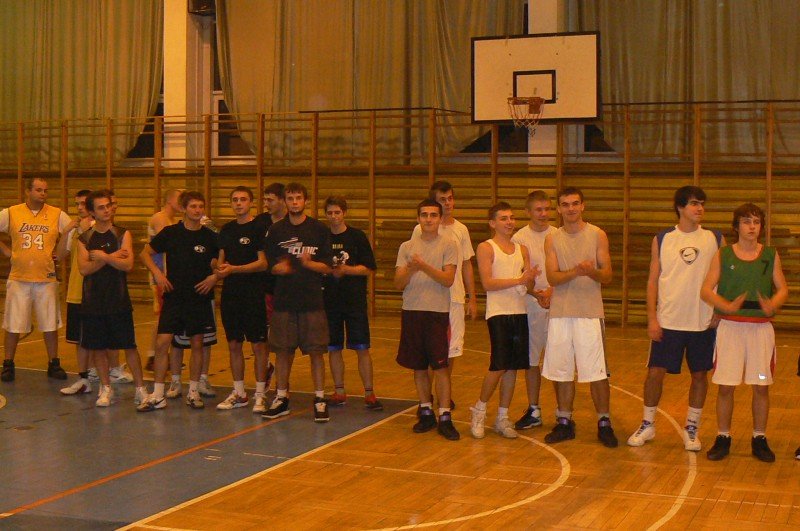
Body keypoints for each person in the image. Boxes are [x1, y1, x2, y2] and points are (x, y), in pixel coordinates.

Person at [627, 186, 723, 451]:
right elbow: (652, 280)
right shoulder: (663, 238)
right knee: (655, 374)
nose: (699, 208)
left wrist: (719, 310)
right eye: (694, 203)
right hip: (668, 320)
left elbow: (724, 277)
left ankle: (692, 427)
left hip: (703, 321)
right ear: (680, 207)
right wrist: (652, 318)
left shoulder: (715, 238)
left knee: (700, 375)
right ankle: (647, 424)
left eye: (702, 203)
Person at [701, 203, 788, 462]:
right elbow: (705, 289)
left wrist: (773, 304)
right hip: (730, 328)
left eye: (756, 222)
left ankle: (759, 438)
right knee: (726, 386)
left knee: (761, 386)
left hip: (760, 330)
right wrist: (726, 306)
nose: (752, 226)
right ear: (736, 226)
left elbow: (783, 288)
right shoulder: (724, 254)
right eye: (746, 221)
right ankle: (723, 437)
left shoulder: (770, 255)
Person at [542, 187, 617, 448]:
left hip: (589, 313)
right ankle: (564, 421)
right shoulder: (552, 239)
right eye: (565, 204)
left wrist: (591, 271)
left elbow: (607, 275)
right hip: (560, 313)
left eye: (575, 203)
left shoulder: (597, 234)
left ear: (583, 206)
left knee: (597, 372)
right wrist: (577, 271)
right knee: (561, 370)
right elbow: (552, 277)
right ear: (559, 209)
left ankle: (604, 423)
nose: (571, 208)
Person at [137, 191, 219, 411]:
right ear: (184, 209)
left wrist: (214, 277)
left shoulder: (210, 236)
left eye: (200, 206)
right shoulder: (171, 233)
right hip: (174, 296)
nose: (197, 210)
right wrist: (158, 274)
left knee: (197, 344)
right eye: (193, 206)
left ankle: (193, 391)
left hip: (199, 297)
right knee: (162, 343)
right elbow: (144, 253)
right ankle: (158, 394)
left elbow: (220, 264)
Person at [262, 182, 333, 422]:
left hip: (312, 301)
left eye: (298, 198)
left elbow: (328, 266)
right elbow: (270, 264)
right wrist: (277, 268)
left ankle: (320, 398)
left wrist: (310, 264)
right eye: (290, 198)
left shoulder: (319, 229)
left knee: (316, 352)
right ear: (285, 201)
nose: (294, 202)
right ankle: (281, 397)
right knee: (282, 352)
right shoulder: (276, 231)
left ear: (305, 201)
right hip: (284, 302)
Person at [470, 202, 537, 439]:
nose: (509, 222)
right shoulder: (486, 248)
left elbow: (527, 283)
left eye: (511, 218)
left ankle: (502, 416)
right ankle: (479, 410)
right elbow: (488, 283)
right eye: (503, 218)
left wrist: (530, 280)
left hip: (519, 312)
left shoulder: (522, 249)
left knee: (512, 367)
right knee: (498, 365)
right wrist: (519, 280)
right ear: (492, 223)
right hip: (498, 313)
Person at [74, 190, 147, 406]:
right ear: (92, 212)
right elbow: (84, 269)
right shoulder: (85, 238)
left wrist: (104, 256)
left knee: (129, 346)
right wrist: (112, 257)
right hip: (93, 302)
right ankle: (106, 388)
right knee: (98, 348)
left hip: (118, 300)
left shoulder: (122, 234)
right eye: (101, 207)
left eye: (108, 206)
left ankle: (141, 389)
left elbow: (127, 264)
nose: (107, 210)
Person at [395, 199, 459, 440]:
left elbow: (448, 279)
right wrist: (412, 269)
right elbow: (398, 283)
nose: (429, 219)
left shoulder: (449, 244)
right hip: (412, 311)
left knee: (440, 367)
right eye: (424, 215)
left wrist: (423, 266)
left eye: (433, 215)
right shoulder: (406, 247)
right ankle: (425, 411)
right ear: (418, 218)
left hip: (436, 313)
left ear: (440, 219)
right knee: (419, 365)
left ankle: (445, 415)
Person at [411, 180, 476, 410]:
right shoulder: (420, 229)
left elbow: (466, 264)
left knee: (451, 350)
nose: (447, 203)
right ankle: (426, 399)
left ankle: (444, 395)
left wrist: (472, 297)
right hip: (428, 299)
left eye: (450, 199)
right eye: (442, 200)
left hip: (454, 298)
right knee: (428, 351)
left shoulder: (461, 230)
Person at [0, 177, 71, 382]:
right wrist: (5, 250)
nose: (43, 194)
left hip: (46, 278)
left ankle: (53, 362)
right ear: (27, 191)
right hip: (19, 277)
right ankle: (8, 364)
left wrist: (62, 251)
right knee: (13, 323)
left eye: (45, 190)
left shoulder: (56, 214)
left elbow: (73, 231)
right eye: (38, 190)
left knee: (50, 323)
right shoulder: (12, 212)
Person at [322, 196, 382, 410]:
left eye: (337, 212)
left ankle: (369, 393)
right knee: (334, 348)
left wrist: (347, 270)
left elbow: (369, 268)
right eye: (330, 213)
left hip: (354, 301)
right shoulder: (322, 238)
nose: (334, 216)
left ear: (344, 213)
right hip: (330, 302)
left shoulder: (357, 236)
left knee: (362, 348)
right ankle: (339, 392)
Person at [215, 186, 271, 413]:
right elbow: (220, 261)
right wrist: (218, 269)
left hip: (253, 294)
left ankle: (260, 394)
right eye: (235, 200)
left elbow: (263, 263)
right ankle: (239, 393)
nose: (238, 203)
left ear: (251, 203)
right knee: (234, 344)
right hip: (231, 295)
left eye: (243, 199)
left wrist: (235, 269)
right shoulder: (227, 229)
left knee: (258, 345)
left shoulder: (259, 228)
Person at [510, 190, 557, 430]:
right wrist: (536, 293)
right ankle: (534, 409)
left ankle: (563, 414)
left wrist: (551, 291)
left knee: (559, 360)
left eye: (547, 209)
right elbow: (517, 275)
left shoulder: (558, 235)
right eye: (538, 209)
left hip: (558, 304)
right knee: (531, 360)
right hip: (530, 305)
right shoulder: (519, 239)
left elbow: (565, 271)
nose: (543, 214)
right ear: (528, 212)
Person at [58, 190, 99, 396]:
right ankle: (84, 378)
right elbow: (59, 256)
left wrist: (84, 230)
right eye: (77, 204)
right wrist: (65, 232)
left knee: (97, 337)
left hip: (96, 293)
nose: (80, 208)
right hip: (75, 291)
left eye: (83, 203)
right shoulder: (74, 229)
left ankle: (101, 376)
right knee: (79, 339)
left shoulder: (98, 228)